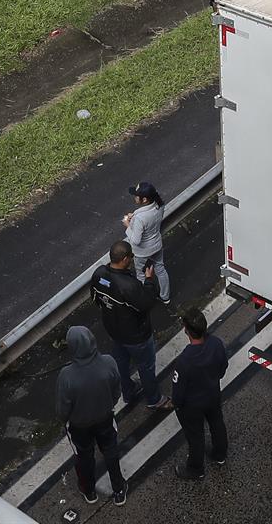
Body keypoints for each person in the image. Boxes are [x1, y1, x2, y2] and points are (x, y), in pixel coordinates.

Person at [91, 240, 168, 410]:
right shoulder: (129, 285)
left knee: (121, 365)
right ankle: (154, 399)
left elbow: (97, 300)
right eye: (131, 256)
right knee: (146, 367)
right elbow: (146, 303)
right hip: (137, 336)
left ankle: (128, 392)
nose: (132, 260)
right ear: (125, 259)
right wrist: (149, 280)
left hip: (114, 331)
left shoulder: (99, 274)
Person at [56, 325, 128, 506]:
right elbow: (117, 390)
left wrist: (65, 420)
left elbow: (63, 408)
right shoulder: (109, 362)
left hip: (79, 426)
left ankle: (89, 491)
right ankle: (118, 489)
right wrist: (109, 405)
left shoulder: (67, 376)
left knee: (84, 456)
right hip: (105, 418)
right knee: (110, 451)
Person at [171, 307, 231, 481]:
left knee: (195, 436)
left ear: (186, 331)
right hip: (212, 394)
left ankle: (196, 468)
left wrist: (177, 405)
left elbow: (178, 392)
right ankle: (220, 454)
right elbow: (222, 368)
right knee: (217, 423)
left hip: (192, 406)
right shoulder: (216, 344)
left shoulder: (184, 361)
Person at [123, 181, 169, 303]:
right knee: (160, 270)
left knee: (141, 274)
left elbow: (136, 240)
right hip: (157, 245)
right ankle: (165, 297)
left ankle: (145, 299)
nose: (135, 197)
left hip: (142, 251)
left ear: (144, 200)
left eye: (137, 196)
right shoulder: (159, 206)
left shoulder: (140, 218)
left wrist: (128, 225)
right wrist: (134, 217)